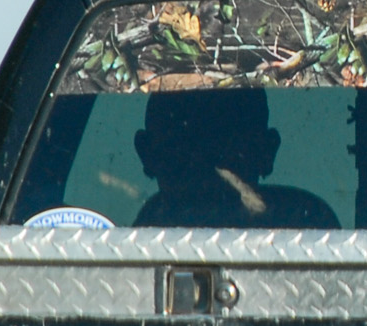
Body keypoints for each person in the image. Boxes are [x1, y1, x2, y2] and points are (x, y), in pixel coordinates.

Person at [131, 88, 339, 228]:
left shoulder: (310, 225)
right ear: (147, 152)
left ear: (266, 150)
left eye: (223, 148)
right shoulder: (311, 223)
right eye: (183, 145)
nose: (204, 164)